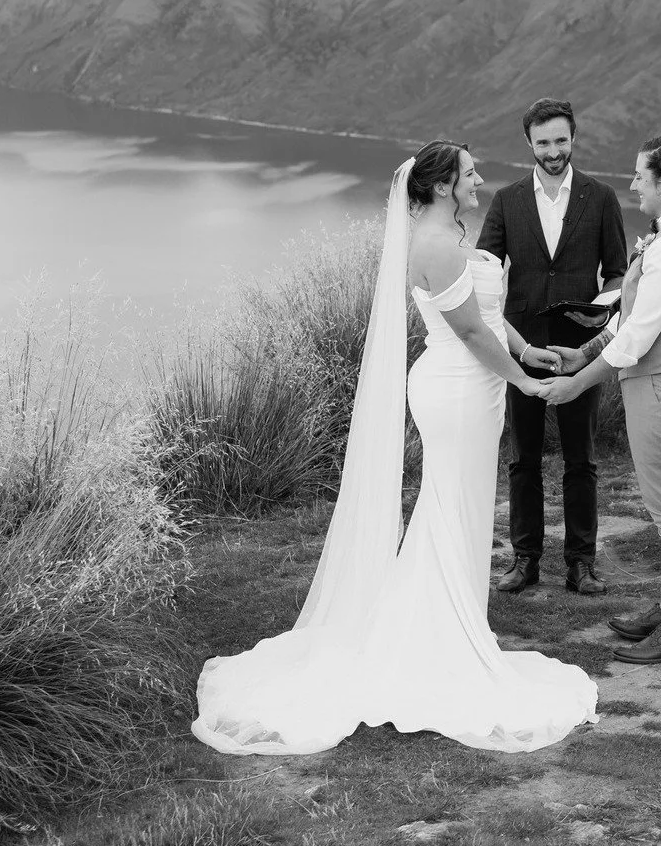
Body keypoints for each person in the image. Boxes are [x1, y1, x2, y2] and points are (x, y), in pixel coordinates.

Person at [191, 141, 598, 755]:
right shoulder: (434, 246)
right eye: (468, 174)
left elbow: (485, 312)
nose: (479, 179)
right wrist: (523, 381)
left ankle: (456, 628)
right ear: (440, 188)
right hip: (457, 389)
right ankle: (438, 637)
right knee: (448, 506)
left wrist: (524, 351)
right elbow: (463, 329)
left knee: (458, 505)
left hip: (475, 384)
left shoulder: (452, 237)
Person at [543, 133, 661, 666]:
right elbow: (631, 317)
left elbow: (638, 337)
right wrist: (585, 352)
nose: (633, 183)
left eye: (640, 175)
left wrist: (577, 383)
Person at [477, 99, 628, 597]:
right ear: (529, 144)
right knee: (523, 457)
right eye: (543, 143)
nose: (553, 151)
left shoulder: (601, 197)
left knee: (581, 459)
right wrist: (514, 345)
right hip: (522, 348)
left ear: (573, 139)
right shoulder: (506, 200)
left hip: (580, 350)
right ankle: (525, 560)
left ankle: (581, 563)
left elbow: (619, 273)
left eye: (561, 140)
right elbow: (483, 273)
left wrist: (595, 323)